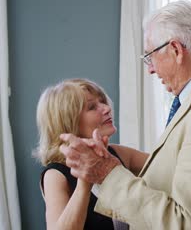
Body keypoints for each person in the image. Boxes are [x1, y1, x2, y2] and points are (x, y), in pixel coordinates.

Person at [59, 0, 191, 229]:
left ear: (176, 50)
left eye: (150, 56)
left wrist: (107, 174)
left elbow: (186, 224)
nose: (150, 69)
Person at [34, 78, 148, 229]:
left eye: (103, 101)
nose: (106, 108)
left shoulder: (119, 153)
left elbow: (168, 165)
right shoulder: (56, 175)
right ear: (69, 121)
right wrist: (85, 181)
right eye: (92, 107)